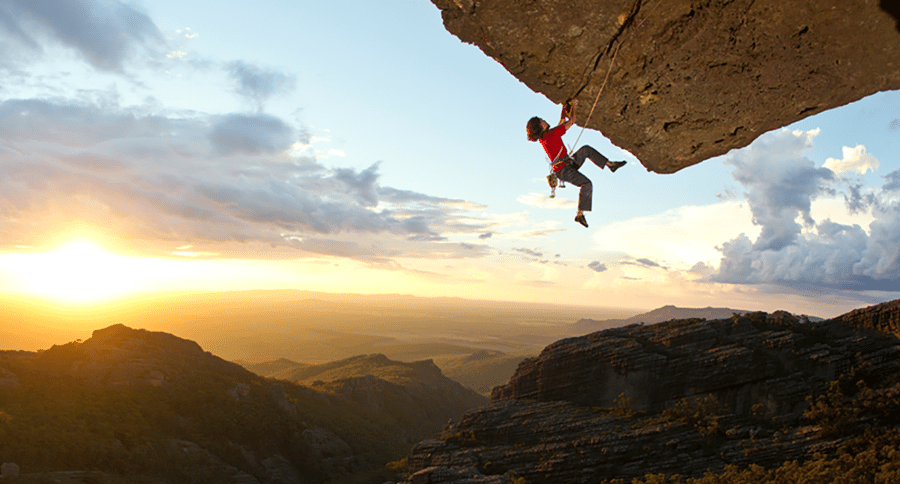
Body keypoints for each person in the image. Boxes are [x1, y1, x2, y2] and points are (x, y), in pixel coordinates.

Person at [526, 100, 626, 228]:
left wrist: (563, 108)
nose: (545, 120)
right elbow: (571, 121)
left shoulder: (545, 137)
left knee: (585, 150)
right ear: (541, 124)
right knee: (587, 183)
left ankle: (610, 165)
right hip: (564, 170)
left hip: (567, 165)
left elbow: (561, 123)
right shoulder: (550, 135)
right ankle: (579, 214)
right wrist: (574, 105)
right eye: (542, 120)